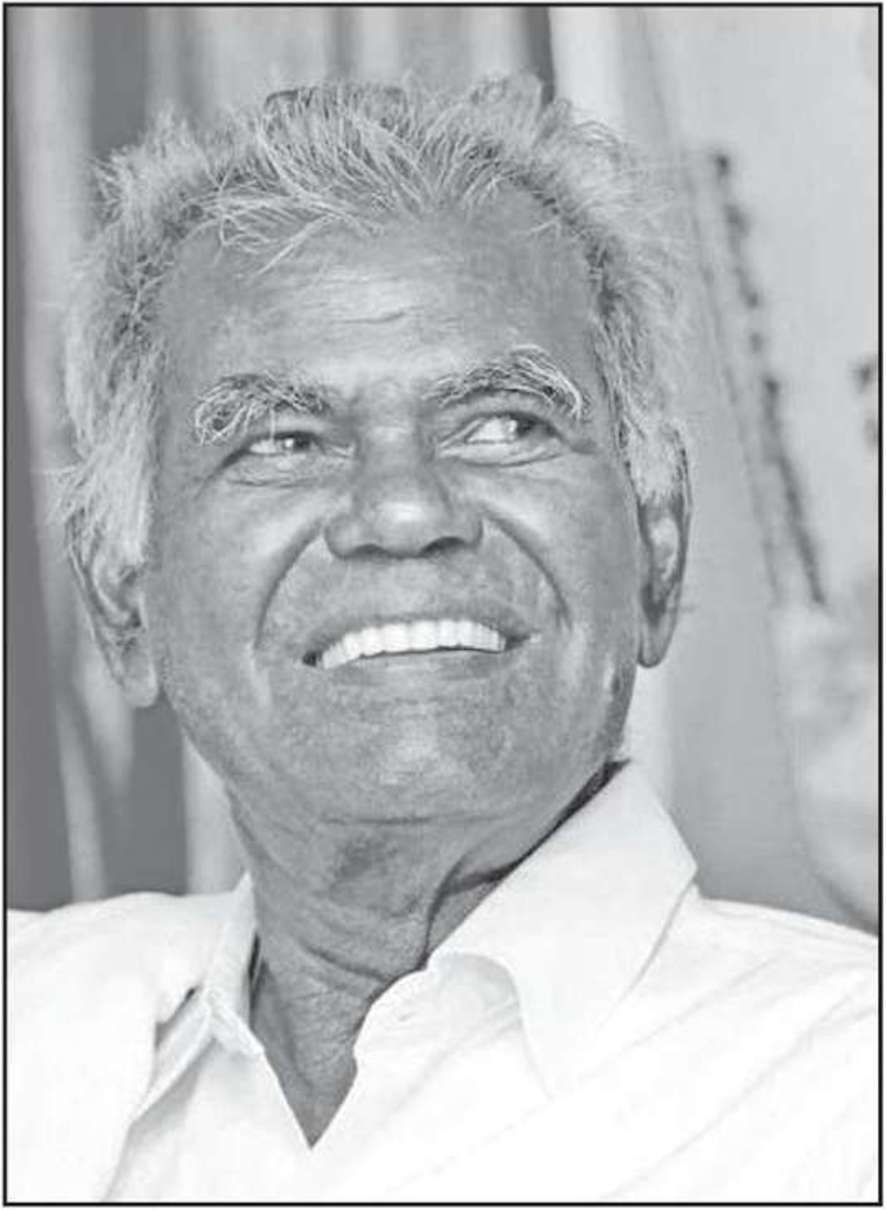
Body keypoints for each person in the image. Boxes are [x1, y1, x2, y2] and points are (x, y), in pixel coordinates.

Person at [10, 78, 875, 1202]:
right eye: (282, 440)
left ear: (657, 551)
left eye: (505, 424)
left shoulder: (845, 1094)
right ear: (124, 601)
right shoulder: (43, 1033)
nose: (406, 510)